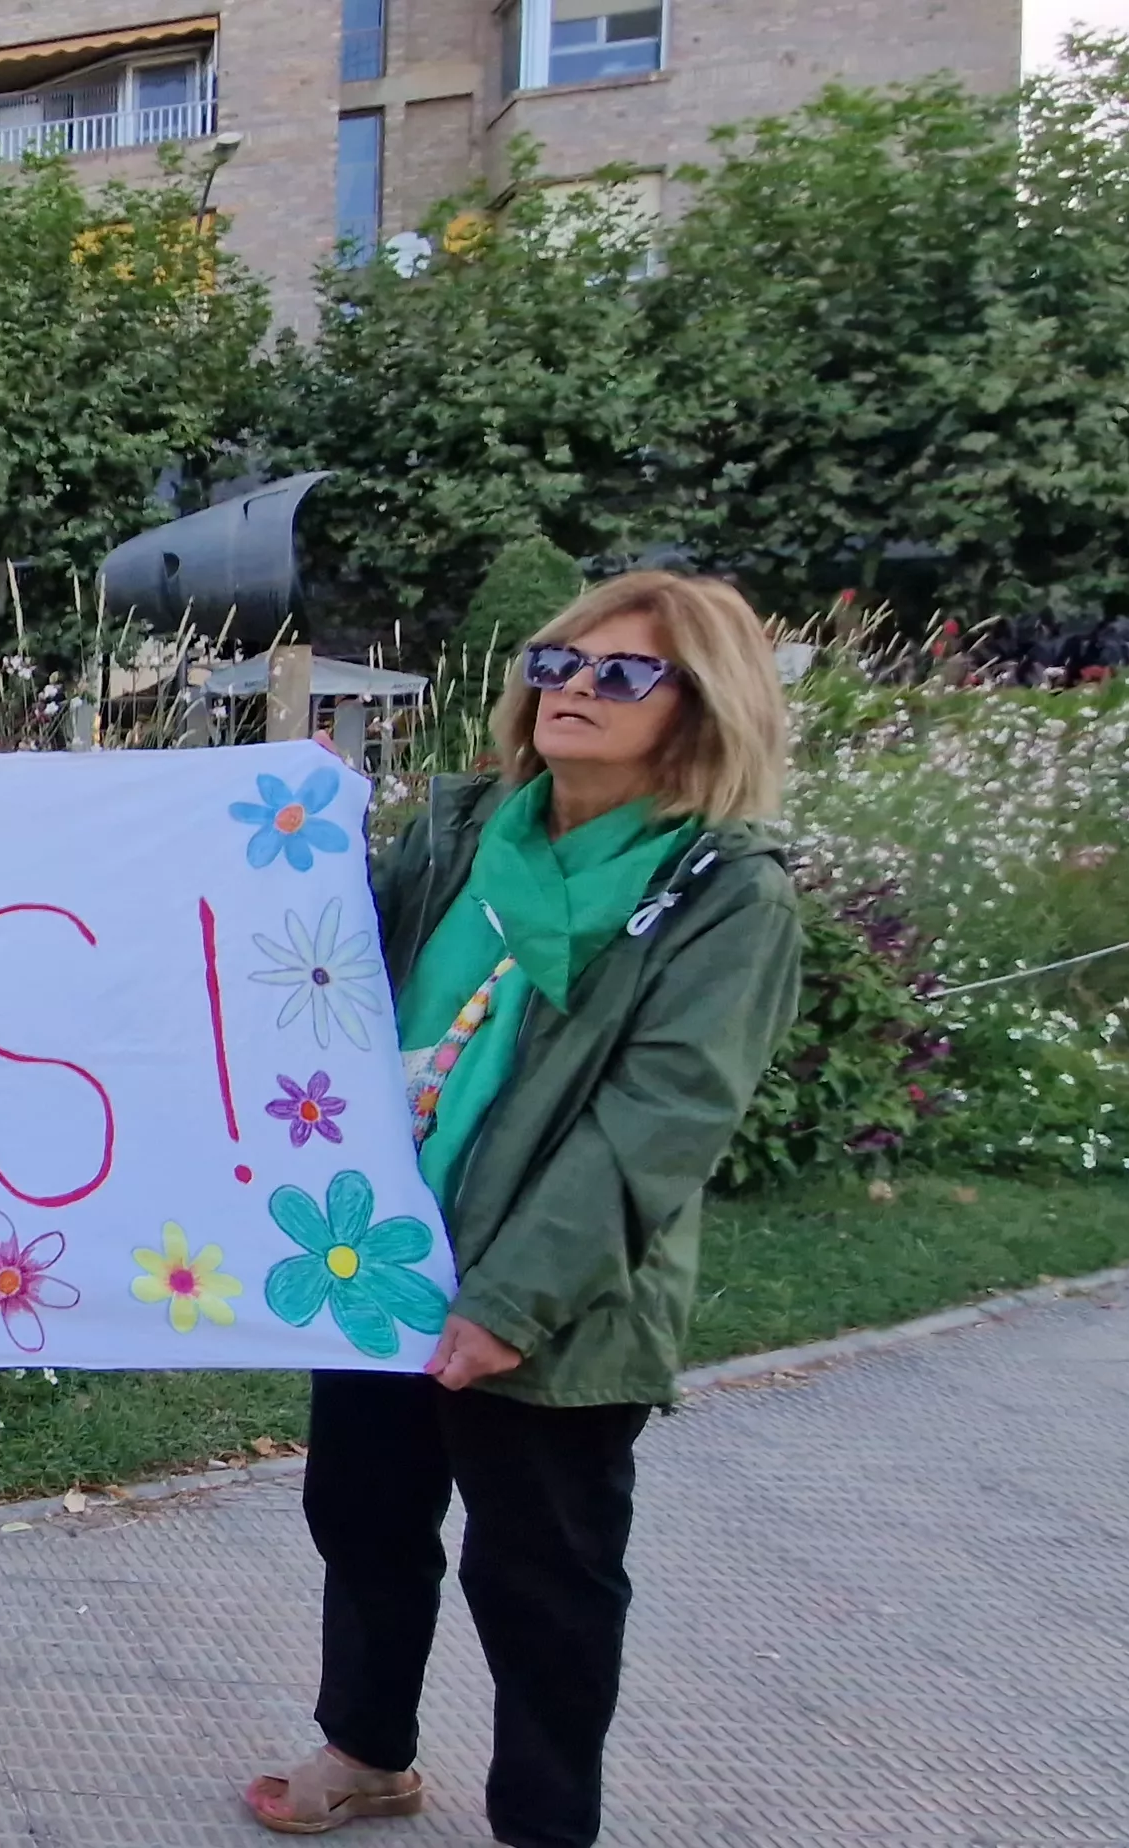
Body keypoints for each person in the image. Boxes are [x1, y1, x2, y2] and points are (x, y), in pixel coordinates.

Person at [244, 572, 801, 1846]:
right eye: (557, 663)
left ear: (701, 707)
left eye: (621, 675)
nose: (572, 692)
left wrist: (512, 1302)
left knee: (539, 1575)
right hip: (379, 1253)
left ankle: (547, 1823)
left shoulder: (724, 893)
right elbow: (316, 987)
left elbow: (659, 1121)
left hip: (554, 1303)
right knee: (365, 1521)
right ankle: (367, 1751)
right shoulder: (461, 835)